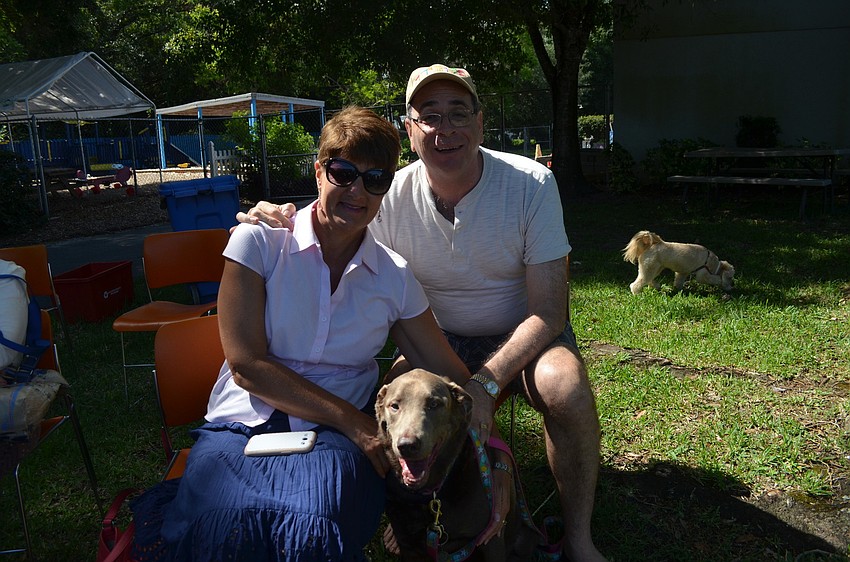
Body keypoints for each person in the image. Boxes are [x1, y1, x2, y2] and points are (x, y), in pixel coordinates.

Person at [239, 64, 606, 561]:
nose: (444, 128)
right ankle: (412, 514)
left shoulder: (531, 183)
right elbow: (334, 209)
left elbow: (548, 312)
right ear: (410, 130)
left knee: (566, 386)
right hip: (432, 337)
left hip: (525, 336)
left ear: (480, 122)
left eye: (458, 113)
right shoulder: (386, 191)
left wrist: (485, 384)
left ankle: (579, 538)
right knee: (395, 404)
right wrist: (275, 214)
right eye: (428, 115)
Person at [130, 106, 475, 561]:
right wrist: (356, 423)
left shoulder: (394, 276)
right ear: (319, 172)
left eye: (375, 180)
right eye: (343, 172)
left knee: (317, 524)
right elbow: (247, 366)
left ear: (386, 190)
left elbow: (450, 371)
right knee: (221, 527)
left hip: (335, 444)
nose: (357, 191)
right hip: (243, 425)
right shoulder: (259, 241)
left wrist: (489, 400)